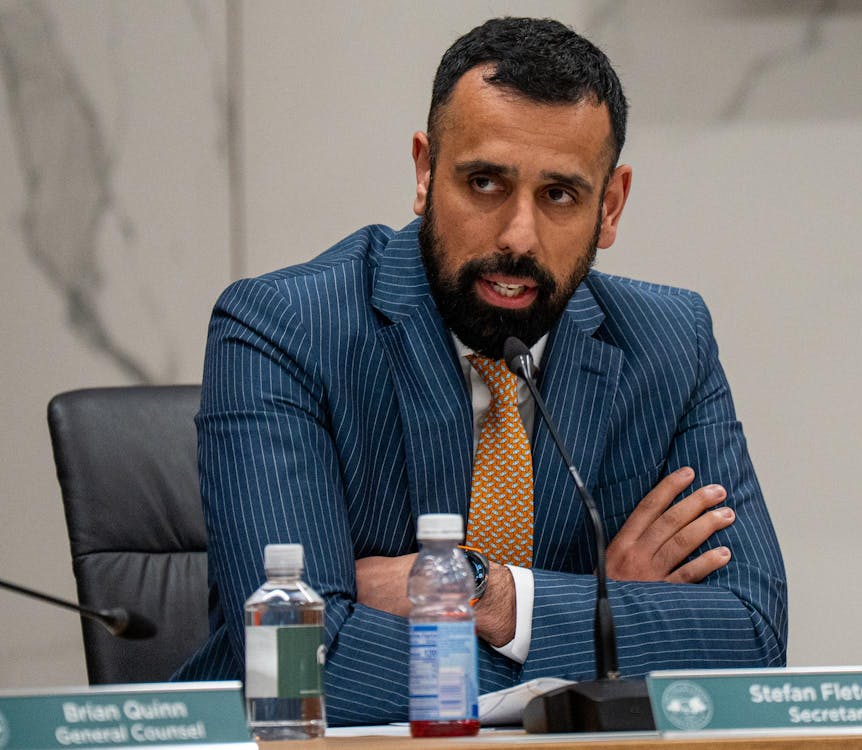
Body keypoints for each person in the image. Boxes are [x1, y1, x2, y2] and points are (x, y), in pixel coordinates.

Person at [175, 17, 787, 725]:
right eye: (485, 182)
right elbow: (300, 664)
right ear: (425, 171)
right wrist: (601, 620)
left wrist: (492, 595)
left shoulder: (668, 343)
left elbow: (751, 643)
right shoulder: (287, 327)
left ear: (610, 206)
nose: (518, 236)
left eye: (559, 194)